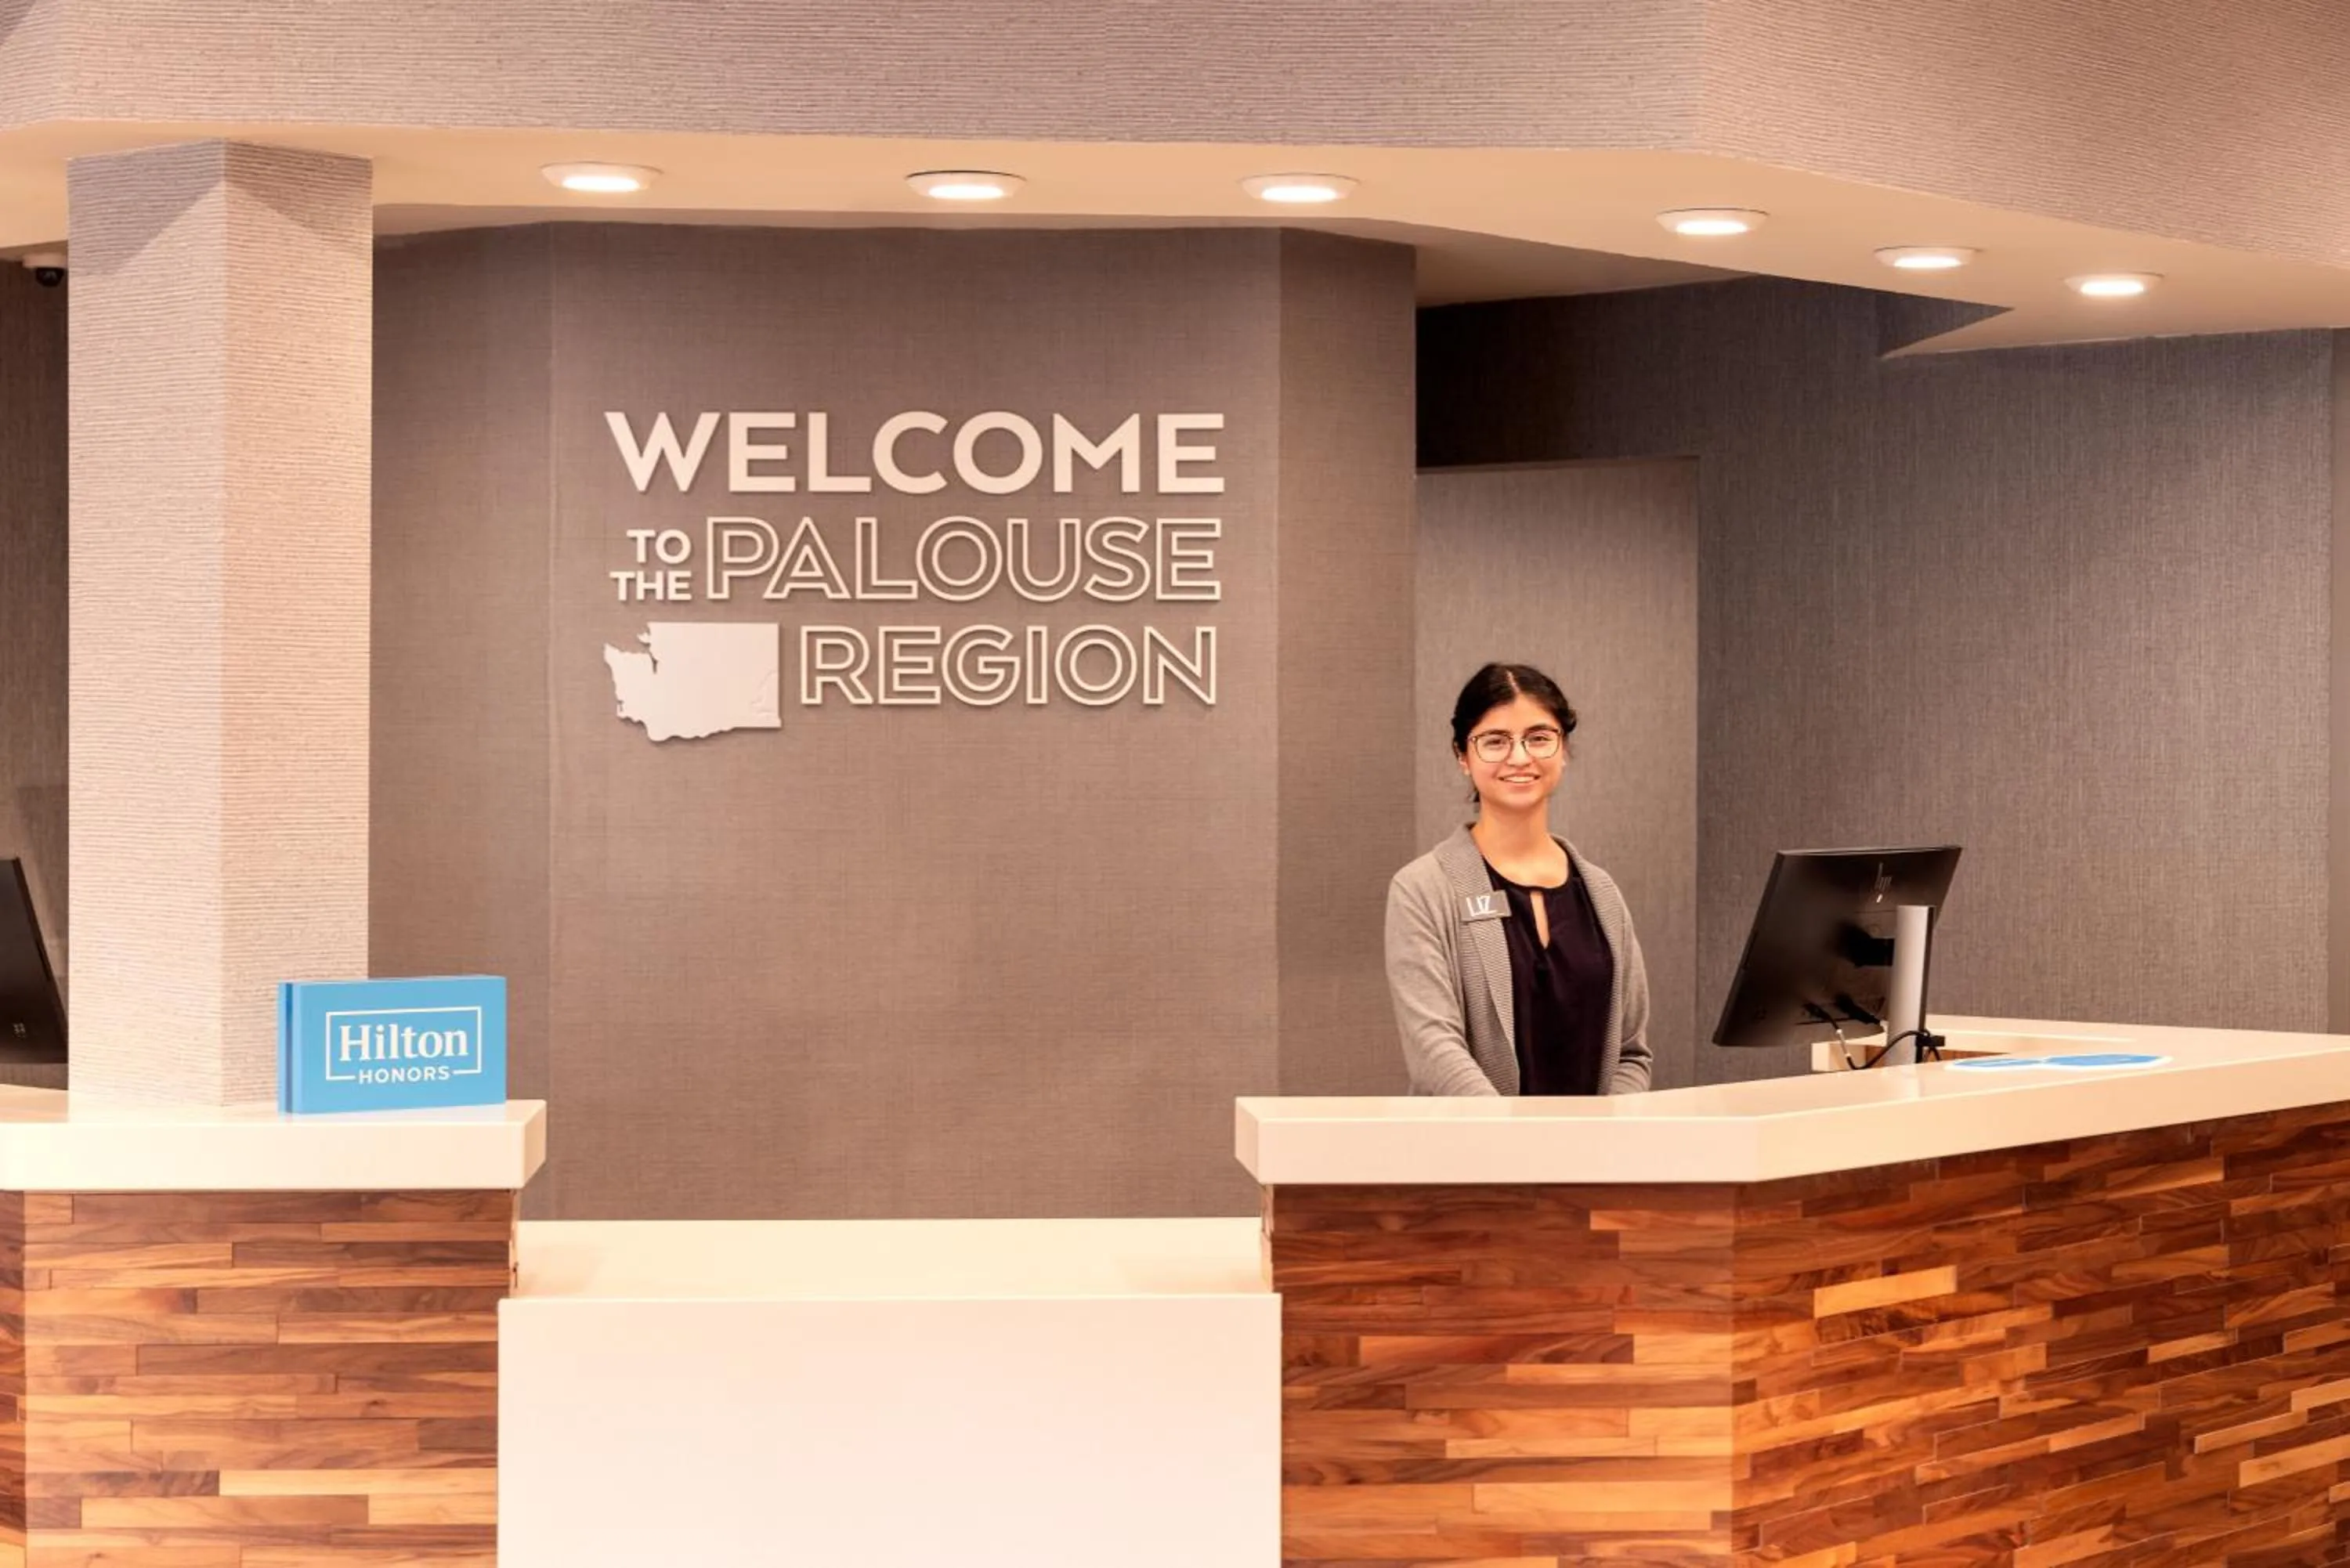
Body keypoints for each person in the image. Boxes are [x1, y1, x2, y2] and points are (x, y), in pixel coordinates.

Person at [1385, 663, 1653, 1097]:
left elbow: (1631, 1054)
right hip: (1474, 1157)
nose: (1520, 757)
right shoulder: (1422, 890)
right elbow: (1434, 1051)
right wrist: (1515, 1146)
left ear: (1563, 749)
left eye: (1539, 738)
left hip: (1595, 1159)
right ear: (1461, 756)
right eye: (1495, 741)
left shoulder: (1601, 893)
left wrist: (1606, 1142)